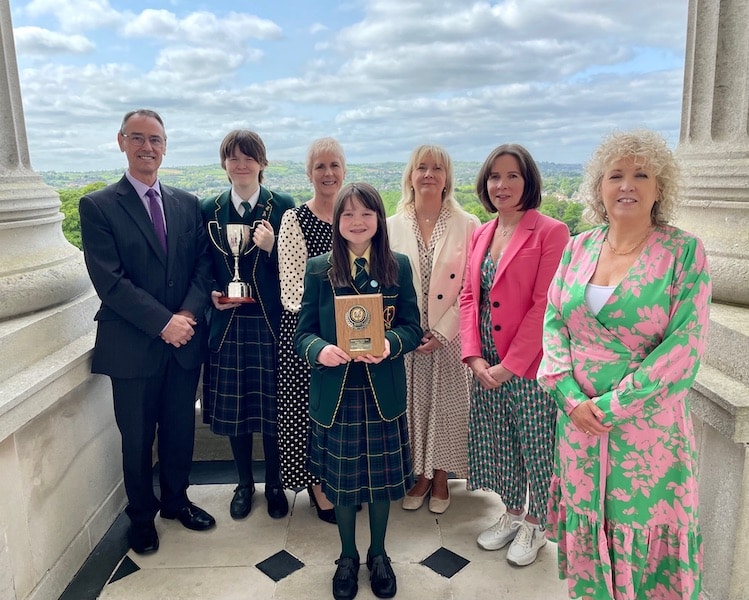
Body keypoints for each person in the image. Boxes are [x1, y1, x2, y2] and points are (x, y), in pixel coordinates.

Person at [538, 130, 711, 600]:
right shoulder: (578, 247)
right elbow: (554, 321)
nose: (627, 185)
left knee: (641, 533)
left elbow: (685, 347)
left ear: (660, 188)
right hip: (576, 424)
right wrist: (569, 397)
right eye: (616, 175)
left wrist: (612, 406)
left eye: (641, 174)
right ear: (600, 187)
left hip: (646, 433)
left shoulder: (683, 252)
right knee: (589, 530)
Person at [79, 109, 216, 555]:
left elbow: (202, 267)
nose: (147, 147)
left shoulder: (186, 202)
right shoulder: (98, 206)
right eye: (137, 138)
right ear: (121, 142)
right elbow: (110, 280)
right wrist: (163, 323)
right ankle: (141, 517)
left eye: (155, 139)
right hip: (134, 347)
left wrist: (187, 318)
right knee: (137, 439)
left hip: (183, 343)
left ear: (165, 145)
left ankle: (177, 502)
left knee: (179, 431)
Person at [295, 182, 421, 600]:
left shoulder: (398, 266)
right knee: (343, 484)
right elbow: (303, 334)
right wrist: (321, 350)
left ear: (378, 220)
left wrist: (390, 345)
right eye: (348, 215)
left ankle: (379, 554)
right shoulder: (318, 269)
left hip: (381, 391)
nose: (357, 222)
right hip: (337, 393)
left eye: (366, 214)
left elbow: (411, 327)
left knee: (382, 484)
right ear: (337, 221)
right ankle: (347, 555)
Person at [459, 143, 569, 567]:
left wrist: (510, 366)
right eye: (494, 177)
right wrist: (473, 355)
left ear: (529, 181)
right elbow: (470, 297)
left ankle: (538, 525)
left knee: (536, 445)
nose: (501, 185)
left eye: (512, 176)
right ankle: (513, 511)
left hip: (530, 364)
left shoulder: (550, 231)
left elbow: (545, 305)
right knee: (501, 440)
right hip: (486, 360)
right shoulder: (483, 232)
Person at [200, 129, 294, 520]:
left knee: (273, 411)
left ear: (261, 163)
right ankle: (244, 483)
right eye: (233, 157)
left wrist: (274, 249)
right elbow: (201, 263)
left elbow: (295, 270)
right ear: (225, 164)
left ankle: (274, 483)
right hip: (229, 323)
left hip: (270, 325)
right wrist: (210, 293)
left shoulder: (284, 205)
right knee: (237, 411)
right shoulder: (208, 208)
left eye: (249, 157)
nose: (241, 164)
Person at [387, 144, 478, 514]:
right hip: (408, 337)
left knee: (447, 410)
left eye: (436, 168)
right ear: (410, 175)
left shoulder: (468, 224)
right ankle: (419, 476)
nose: (428, 174)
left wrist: (443, 331)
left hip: (449, 337)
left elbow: (473, 286)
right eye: (421, 167)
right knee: (413, 409)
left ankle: (440, 477)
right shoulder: (391, 225)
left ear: (447, 178)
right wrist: (404, 331)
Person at [277, 137, 346, 523]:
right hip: (308, 338)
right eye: (320, 166)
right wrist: (329, 336)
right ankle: (319, 487)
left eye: (334, 165)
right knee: (311, 414)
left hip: (353, 337)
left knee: (344, 413)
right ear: (309, 173)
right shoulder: (295, 219)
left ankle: (344, 480)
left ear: (344, 171)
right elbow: (292, 291)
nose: (328, 173)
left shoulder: (356, 216)